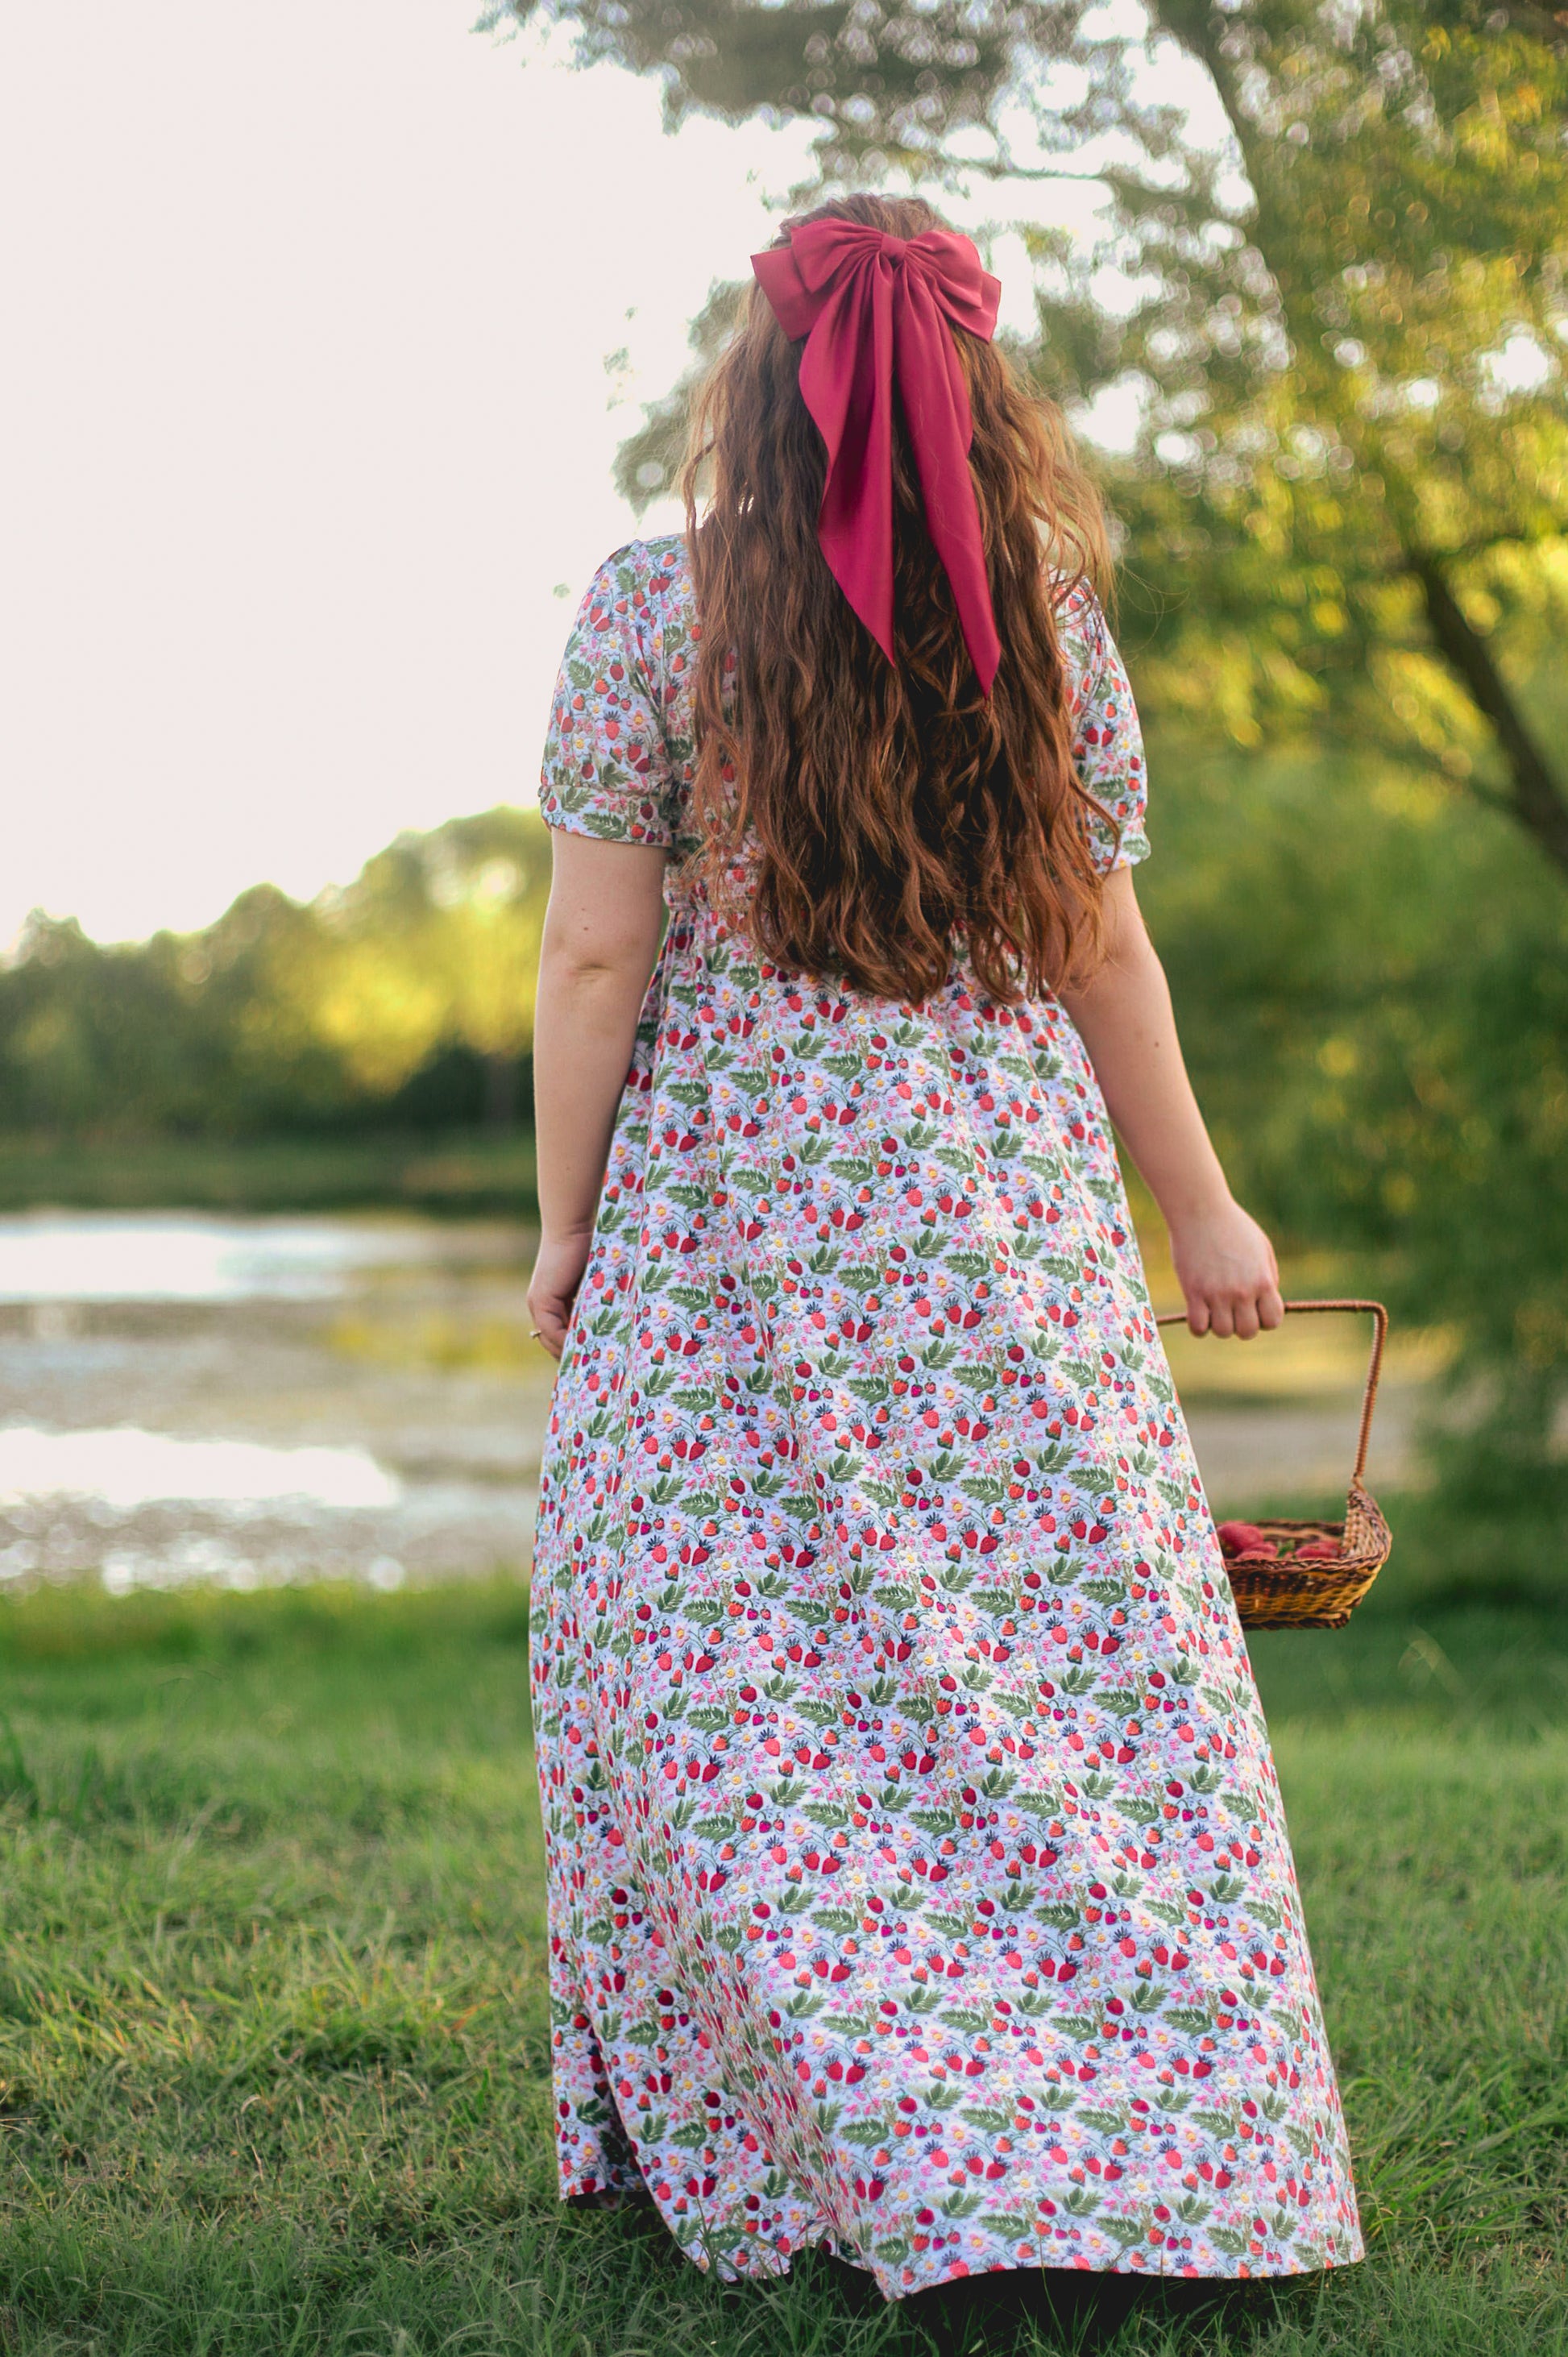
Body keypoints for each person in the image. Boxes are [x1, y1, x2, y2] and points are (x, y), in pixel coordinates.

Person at [525, 193, 1361, 2333]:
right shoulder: (1042, 616)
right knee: (1069, 1671)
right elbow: (1099, 945)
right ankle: (1162, 2161)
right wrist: (1203, 1208)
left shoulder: (650, 608)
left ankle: (851, 2131)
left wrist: (559, 1229)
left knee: (715, 1667)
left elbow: (598, 951)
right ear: (978, 380)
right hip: (1002, 1213)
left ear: (756, 375)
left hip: (737, 1210)